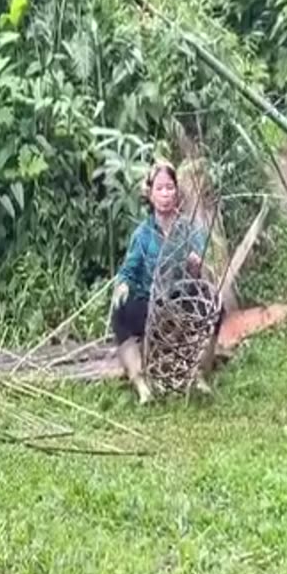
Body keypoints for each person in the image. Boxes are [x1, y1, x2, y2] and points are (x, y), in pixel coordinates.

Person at [110, 160, 215, 403]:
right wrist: (123, 285)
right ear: (150, 194)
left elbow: (198, 273)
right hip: (152, 307)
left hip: (180, 303)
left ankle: (198, 375)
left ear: (177, 192)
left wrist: (194, 265)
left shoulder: (189, 230)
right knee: (120, 313)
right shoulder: (143, 235)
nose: (166, 194)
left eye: (170, 188)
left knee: (213, 307)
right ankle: (140, 383)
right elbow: (128, 272)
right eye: (160, 189)